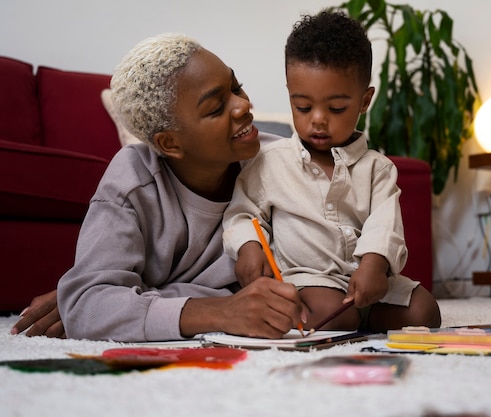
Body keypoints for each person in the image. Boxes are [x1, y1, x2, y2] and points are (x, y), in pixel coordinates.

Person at [12, 33, 306, 342]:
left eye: (236, 86)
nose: (244, 104)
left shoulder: (283, 163)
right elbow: (87, 305)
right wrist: (223, 311)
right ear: (170, 143)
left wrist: (137, 300)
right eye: (217, 107)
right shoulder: (132, 181)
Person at [222, 10, 441, 332]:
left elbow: (385, 225)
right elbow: (242, 213)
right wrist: (248, 246)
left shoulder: (377, 169)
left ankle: (363, 317)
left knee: (425, 311)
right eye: (303, 107)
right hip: (308, 279)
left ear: (365, 100)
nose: (319, 119)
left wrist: (375, 264)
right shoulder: (270, 162)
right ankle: (344, 320)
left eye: (337, 108)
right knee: (330, 311)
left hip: (367, 280)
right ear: (290, 94)